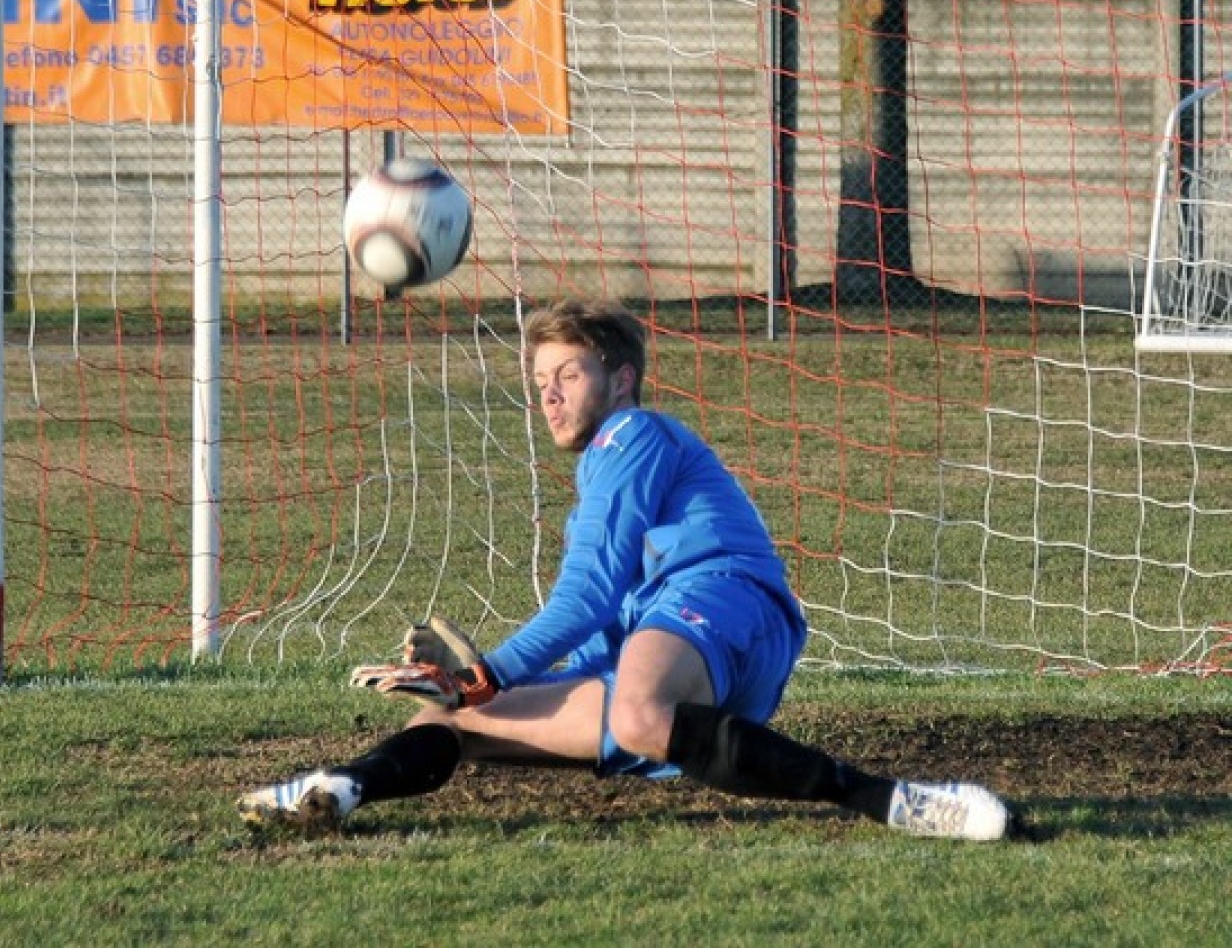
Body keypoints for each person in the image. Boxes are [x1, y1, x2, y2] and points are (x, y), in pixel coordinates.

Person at [237, 300, 1014, 841]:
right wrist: (469, 687)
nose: (547, 392)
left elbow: (587, 594)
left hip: (726, 602)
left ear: (621, 380)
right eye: (539, 379)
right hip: (682, 665)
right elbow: (597, 638)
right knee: (457, 723)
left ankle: (895, 801)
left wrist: (489, 669)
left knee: (624, 708)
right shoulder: (598, 494)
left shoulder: (633, 435)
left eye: (566, 374)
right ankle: (336, 789)